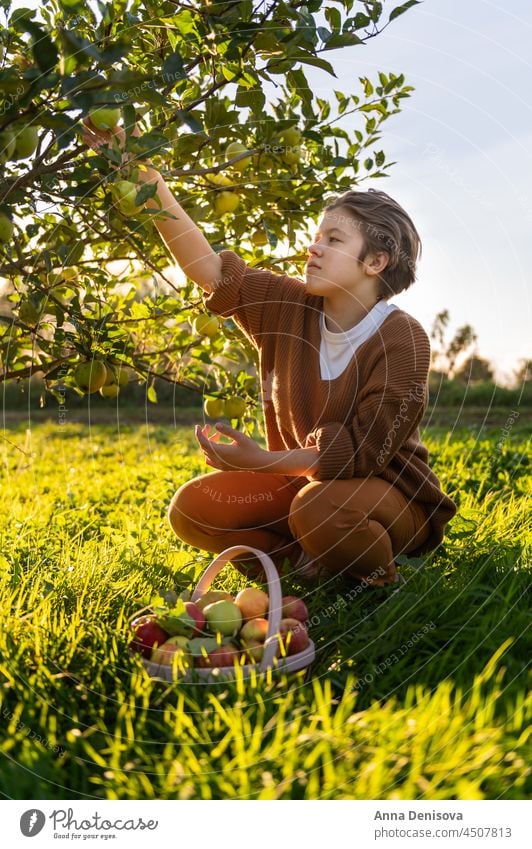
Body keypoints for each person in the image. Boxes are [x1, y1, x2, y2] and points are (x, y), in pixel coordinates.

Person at [82, 118, 456, 587]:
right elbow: (211, 270)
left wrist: (260, 463)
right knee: (193, 510)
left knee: (320, 506)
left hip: (385, 498)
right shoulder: (287, 307)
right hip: (302, 487)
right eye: (317, 237)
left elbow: (362, 453)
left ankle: (376, 577)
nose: (314, 248)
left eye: (334, 240)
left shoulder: (403, 339)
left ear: (375, 261)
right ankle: (298, 562)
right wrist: (149, 181)